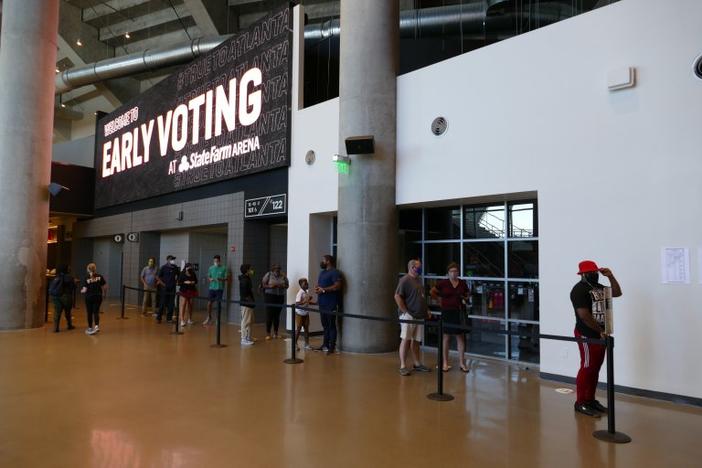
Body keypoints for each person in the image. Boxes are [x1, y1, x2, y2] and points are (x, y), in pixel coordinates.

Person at [570, 260, 622, 417]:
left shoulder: (598, 288)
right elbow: (584, 315)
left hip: (601, 335)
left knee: (595, 368)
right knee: (587, 367)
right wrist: (600, 331)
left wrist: (610, 276)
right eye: (591, 272)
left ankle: (590, 399)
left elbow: (617, 293)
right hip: (587, 334)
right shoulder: (579, 290)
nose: (594, 274)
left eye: (595, 272)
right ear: (583, 274)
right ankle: (580, 402)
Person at [394, 259, 431, 376]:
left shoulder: (418, 280)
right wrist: (405, 312)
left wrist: (426, 310)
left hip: (419, 315)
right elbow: (397, 296)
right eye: (418, 267)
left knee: (416, 341)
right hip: (409, 315)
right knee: (406, 339)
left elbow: (421, 297)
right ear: (412, 267)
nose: (420, 269)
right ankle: (403, 365)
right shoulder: (405, 280)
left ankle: (417, 363)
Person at [430, 262, 470, 372]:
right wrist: (439, 300)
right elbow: (432, 291)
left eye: (456, 271)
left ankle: (462, 363)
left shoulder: (462, 283)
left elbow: (467, 294)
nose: (454, 273)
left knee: (460, 337)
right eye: (451, 271)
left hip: (459, 312)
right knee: (446, 337)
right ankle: (445, 363)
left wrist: (465, 298)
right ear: (448, 273)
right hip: (447, 312)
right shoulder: (443, 283)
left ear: (458, 272)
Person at [314, 255, 342, 355]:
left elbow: (337, 286)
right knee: (325, 325)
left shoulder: (335, 272)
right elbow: (320, 286)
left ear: (328, 261)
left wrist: (324, 289)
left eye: (323, 260)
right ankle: (325, 344)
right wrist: (318, 288)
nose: (322, 262)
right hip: (322, 303)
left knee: (331, 325)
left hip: (331, 303)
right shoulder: (322, 272)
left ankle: (332, 347)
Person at [262, 264, 289, 340]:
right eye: (276, 269)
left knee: (277, 315)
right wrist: (270, 286)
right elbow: (263, 285)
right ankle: (268, 333)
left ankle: (276, 333)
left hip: (280, 297)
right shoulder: (268, 274)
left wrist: (283, 286)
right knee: (269, 315)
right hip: (270, 296)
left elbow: (287, 285)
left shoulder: (283, 275)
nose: (278, 270)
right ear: (273, 269)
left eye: (279, 269)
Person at [80, 263, 107, 335]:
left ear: (88, 269)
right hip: (98, 296)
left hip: (89, 297)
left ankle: (89, 327)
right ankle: (96, 326)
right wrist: (104, 294)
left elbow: (85, 290)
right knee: (96, 312)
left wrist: (81, 291)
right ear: (95, 269)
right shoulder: (100, 277)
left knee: (89, 312)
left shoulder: (86, 277)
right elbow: (105, 287)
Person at [49, 264, 75, 333]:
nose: (70, 269)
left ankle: (56, 328)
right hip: (66, 296)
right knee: (67, 312)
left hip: (55, 296)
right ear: (66, 269)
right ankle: (69, 325)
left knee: (57, 312)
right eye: (68, 268)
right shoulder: (69, 277)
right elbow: (73, 287)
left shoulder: (56, 277)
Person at [204, 255, 228, 326]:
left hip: (219, 289)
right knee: (209, 303)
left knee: (218, 304)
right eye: (214, 261)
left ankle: (218, 319)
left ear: (219, 261)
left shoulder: (224, 268)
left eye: (217, 261)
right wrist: (209, 279)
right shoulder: (211, 268)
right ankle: (209, 317)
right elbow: (208, 276)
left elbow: (226, 278)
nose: (216, 262)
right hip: (212, 288)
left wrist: (221, 279)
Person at [156, 255, 180, 324]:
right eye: (172, 259)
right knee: (162, 303)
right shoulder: (163, 267)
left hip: (172, 288)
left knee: (171, 304)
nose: (173, 260)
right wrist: (163, 284)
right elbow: (158, 277)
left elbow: (179, 275)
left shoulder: (175, 267)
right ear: (168, 260)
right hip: (165, 288)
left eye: (173, 259)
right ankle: (159, 318)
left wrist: (177, 281)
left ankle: (169, 318)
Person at [295, 278, 316, 350]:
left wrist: (315, 303)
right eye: (305, 284)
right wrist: (304, 301)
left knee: (306, 329)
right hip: (300, 313)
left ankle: (307, 344)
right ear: (301, 285)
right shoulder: (300, 293)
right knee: (298, 329)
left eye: (307, 283)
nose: (307, 285)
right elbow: (297, 303)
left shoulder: (306, 292)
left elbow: (307, 302)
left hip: (306, 313)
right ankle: (295, 343)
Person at [239, 264, 256, 346]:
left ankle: (248, 337)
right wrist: (250, 301)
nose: (251, 270)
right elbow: (245, 293)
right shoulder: (244, 280)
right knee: (245, 321)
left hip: (249, 303)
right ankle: (243, 339)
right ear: (247, 270)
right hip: (246, 303)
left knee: (249, 321)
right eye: (250, 269)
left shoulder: (247, 278)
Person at [178, 263, 198, 327]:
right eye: (188, 267)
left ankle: (190, 319)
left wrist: (192, 282)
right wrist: (185, 282)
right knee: (183, 304)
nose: (189, 268)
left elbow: (196, 281)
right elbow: (179, 282)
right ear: (185, 267)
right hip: (184, 290)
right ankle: (182, 320)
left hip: (192, 290)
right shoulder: (182, 273)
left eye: (190, 267)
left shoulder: (193, 273)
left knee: (191, 305)